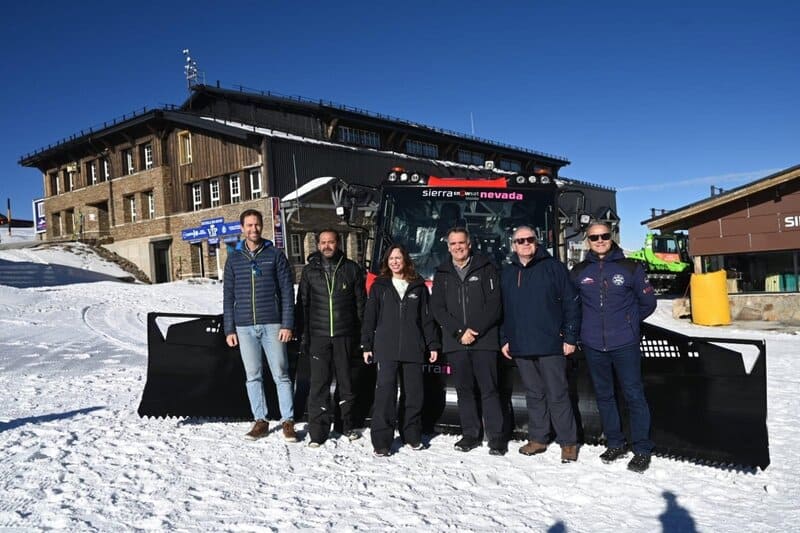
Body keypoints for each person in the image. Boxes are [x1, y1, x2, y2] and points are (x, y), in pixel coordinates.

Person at [571, 222, 657, 473]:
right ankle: (615, 442)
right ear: (588, 240)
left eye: (604, 236)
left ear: (612, 237)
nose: (599, 240)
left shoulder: (630, 267)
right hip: (593, 344)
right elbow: (573, 306)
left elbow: (648, 302)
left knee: (634, 395)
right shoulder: (578, 271)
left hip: (624, 343)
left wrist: (628, 322)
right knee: (604, 396)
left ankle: (642, 448)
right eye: (594, 237)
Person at [500, 226, 581, 463]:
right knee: (534, 394)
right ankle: (538, 438)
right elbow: (504, 310)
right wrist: (504, 338)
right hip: (521, 345)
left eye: (529, 239)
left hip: (551, 344)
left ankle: (568, 442)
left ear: (537, 241)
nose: (525, 244)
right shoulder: (507, 273)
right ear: (513, 245)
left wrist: (570, 337)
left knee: (558, 394)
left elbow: (571, 304)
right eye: (520, 241)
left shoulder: (554, 268)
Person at [430, 227, 506, 455]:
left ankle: (496, 438)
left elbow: (495, 304)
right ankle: (470, 434)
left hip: (484, 341)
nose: (457, 247)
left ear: (469, 243)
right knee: (464, 389)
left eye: (461, 243)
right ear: (448, 246)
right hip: (456, 342)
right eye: (453, 244)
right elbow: (438, 308)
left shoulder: (486, 268)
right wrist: (459, 331)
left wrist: (475, 329)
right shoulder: (441, 273)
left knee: (490, 389)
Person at [223, 209, 297, 442]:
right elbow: (228, 295)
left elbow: (287, 291)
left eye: (257, 225)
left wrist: (287, 324)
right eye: (249, 225)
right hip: (244, 326)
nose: (253, 229)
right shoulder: (234, 258)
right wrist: (229, 328)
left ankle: (288, 421)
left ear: (262, 226)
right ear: (242, 228)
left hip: (273, 324)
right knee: (252, 375)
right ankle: (260, 421)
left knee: (281, 374)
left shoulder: (275, 255)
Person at [361, 245, 440, 457]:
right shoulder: (380, 286)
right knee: (385, 395)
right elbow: (370, 317)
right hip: (386, 348)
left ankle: (412, 435)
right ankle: (382, 441)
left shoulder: (418, 286)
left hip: (413, 348)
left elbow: (427, 319)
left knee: (413, 394)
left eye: (398, 258)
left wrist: (432, 344)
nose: (395, 262)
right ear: (387, 262)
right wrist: (366, 344)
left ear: (405, 260)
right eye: (391, 259)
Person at [297, 229, 366, 447]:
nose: (327, 246)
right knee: (319, 385)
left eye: (331, 242)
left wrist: (362, 336)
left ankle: (347, 425)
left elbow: (361, 306)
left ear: (338, 244)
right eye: (323, 242)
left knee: (346, 383)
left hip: (345, 335)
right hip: (319, 336)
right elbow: (303, 306)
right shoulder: (309, 271)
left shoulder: (351, 269)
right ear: (318, 245)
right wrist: (304, 336)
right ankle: (318, 432)